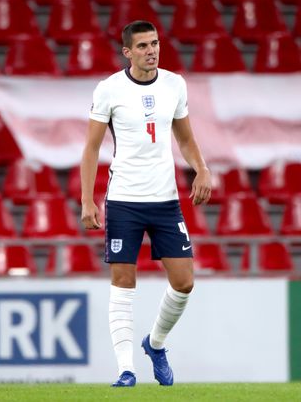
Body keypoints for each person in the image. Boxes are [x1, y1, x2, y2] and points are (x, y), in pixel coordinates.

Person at [80, 20, 212, 387]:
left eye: (154, 44)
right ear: (127, 52)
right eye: (142, 46)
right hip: (124, 199)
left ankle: (155, 345)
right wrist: (86, 200)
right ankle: (126, 370)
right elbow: (90, 148)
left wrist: (202, 168)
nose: (151, 50)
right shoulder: (109, 89)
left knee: (184, 282)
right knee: (123, 280)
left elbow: (185, 139)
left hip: (165, 199)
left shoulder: (174, 84)